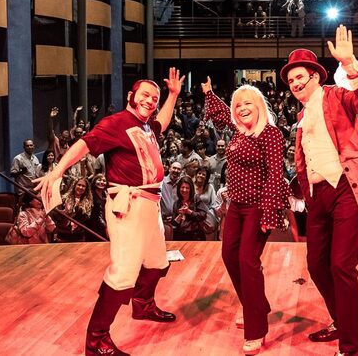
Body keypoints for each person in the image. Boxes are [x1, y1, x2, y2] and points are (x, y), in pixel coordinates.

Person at [34, 69, 184, 356]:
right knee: (123, 273)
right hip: (128, 206)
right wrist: (58, 170)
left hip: (149, 205)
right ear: (131, 97)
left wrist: (173, 95)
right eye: (145, 96)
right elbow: (85, 144)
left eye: (154, 98)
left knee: (156, 262)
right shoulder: (116, 123)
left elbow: (161, 123)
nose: (151, 101)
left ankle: (143, 305)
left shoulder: (146, 126)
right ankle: (96, 340)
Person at [282, 25, 358, 356]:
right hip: (318, 198)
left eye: (300, 77)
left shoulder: (335, 96)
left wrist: (350, 65)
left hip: (345, 189)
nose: (295, 84)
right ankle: (340, 321)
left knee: (342, 267)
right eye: (290, 81)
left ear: (316, 76)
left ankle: (350, 349)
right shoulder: (301, 117)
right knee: (317, 266)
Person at [202, 78, 288, 355]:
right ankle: (257, 306)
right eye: (238, 105)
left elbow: (276, 176)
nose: (241, 109)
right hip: (236, 207)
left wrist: (269, 212)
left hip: (257, 207)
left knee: (247, 261)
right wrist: (209, 93)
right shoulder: (239, 132)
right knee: (229, 256)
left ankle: (257, 327)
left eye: (247, 103)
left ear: (260, 106)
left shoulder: (270, 135)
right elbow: (221, 116)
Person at [171, 175, 209, 241]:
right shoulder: (177, 203)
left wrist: (188, 211)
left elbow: (203, 215)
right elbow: (174, 223)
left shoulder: (196, 199)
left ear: (191, 189)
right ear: (179, 188)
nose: (184, 190)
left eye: (187, 188)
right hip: (180, 236)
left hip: (195, 236)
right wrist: (180, 215)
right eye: (182, 187)